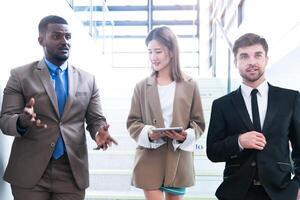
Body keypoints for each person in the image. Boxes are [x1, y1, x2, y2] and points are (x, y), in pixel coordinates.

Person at [0, 15, 117, 200]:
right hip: (30, 171)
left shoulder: (88, 80)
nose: (64, 42)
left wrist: (98, 133)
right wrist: (22, 121)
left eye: (68, 37)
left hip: (71, 171)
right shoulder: (20, 76)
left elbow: (95, 120)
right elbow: (6, 121)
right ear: (41, 40)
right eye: (56, 36)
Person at [206, 33, 300, 200]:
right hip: (236, 192)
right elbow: (213, 152)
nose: (251, 62)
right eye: (244, 56)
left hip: (281, 192)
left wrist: (298, 187)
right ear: (236, 62)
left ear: (266, 59)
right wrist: (239, 141)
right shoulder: (222, 105)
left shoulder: (290, 99)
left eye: (258, 55)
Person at [127, 26, 205, 200]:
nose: (153, 57)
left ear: (171, 52)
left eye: (158, 51)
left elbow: (198, 123)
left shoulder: (190, 85)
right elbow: (132, 123)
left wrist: (186, 135)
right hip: (149, 158)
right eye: (150, 52)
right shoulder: (141, 87)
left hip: (178, 159)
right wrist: (149, 134)